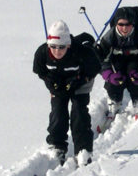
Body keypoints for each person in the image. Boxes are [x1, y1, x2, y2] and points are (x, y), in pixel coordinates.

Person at [32, 20, 101, 166]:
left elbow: (95, 67)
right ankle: (57, 146)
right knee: (58, 112)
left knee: (79, 112)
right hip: (59, 85)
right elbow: (40, 71)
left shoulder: (81, 52)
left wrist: (80, 80)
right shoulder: (42, 52)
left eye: (61, 47)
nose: (57, 51)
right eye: (53, 47)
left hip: (80, 83)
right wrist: (50, 81)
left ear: (68, 45)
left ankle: (83, 149)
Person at [96, 7, 138, 117]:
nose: (124, 28)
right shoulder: (109, 38)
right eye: (121, 24)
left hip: (136, 63)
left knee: (136, 79)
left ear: (133, 23)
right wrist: (109, 75)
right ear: (116, 23)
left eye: (128, 24)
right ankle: (114, 102)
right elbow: (100, 61)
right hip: (116, 65)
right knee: (115, 80)